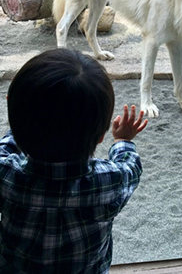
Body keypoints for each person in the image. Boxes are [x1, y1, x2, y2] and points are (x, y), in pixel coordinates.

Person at [0, 48, 147, 274]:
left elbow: (4, 149)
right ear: (100, 136)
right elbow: (131, 166)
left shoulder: (6, 176)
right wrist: (123, 140)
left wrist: (19, 122)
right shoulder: (109, 181)